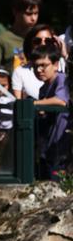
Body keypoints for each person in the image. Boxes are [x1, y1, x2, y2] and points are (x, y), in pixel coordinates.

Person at [30, 41, 69, 180]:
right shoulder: (43, 89)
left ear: (56, 65)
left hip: (62, 145)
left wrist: (34, 104)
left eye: (43, 65)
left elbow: (61, 100)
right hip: (49, 146)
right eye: (35, 66)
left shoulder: (61, 79)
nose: (39, 70)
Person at [0, 0, 40, 72]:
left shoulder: (40, 38)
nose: (33, 18)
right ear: (15, 12)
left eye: (36, 13)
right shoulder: (2, 40)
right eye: (28, 14)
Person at [12, 24, 65, 100]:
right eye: (37, 41)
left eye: (48, 41)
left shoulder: (63, 64)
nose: (43, 44)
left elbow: (62, 100)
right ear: (29, 44)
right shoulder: (20, 72)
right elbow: (19, 104)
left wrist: (65, 55)